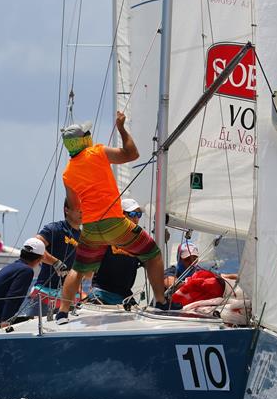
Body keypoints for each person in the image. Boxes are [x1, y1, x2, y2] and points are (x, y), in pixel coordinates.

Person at [55, 111, 175, 324]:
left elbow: (74, 206)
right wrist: (121, 127)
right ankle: (160, 302)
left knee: (78, 269)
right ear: (84, 139)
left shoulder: (67, 172)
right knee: (152, 254)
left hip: (91, 227)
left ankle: (63, 312)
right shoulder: (97, 152)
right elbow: (132, 154)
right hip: (115, 223)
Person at [0, 238, 45, 331]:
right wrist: (6, 321)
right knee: (38, 323)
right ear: (40, 259)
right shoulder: (26, 271)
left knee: (34, 319)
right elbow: (13, 297)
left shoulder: (13, 266)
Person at [26, 199, 82, 313]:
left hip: (70, 298)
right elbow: (33, 247)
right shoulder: (55, 228)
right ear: (66, 210)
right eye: (79, 209)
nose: (83, 212)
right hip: (45, 294)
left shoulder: (85, 238)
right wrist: (55, 262)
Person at [88, 198, 145, 305]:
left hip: (125, 296)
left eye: (139, 214)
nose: (136, 218)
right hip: (102, 293)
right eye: (132, 214)